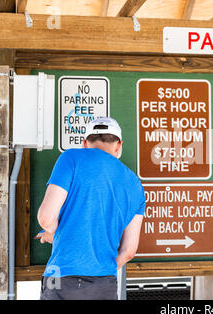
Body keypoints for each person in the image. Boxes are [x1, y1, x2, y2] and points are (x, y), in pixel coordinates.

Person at [37, 117, 145, 300]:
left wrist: (55, 232)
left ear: (85, 143)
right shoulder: (135, 184)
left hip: (62, 278)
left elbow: (46, 218)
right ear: (118, 145)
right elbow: (129, 251)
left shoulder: (71, 158)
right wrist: (101, 270)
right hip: (105, 285)